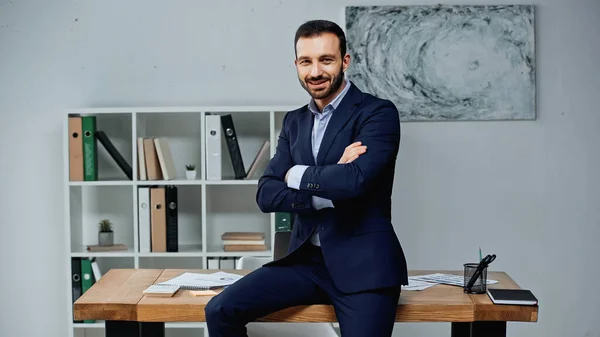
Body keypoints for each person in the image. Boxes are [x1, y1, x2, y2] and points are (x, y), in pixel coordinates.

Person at [204, 19, 408, 337]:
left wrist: (295, 173)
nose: (315, 72)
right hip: (305, 263)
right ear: (296, 65)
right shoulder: (294, 121)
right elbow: (266, 194)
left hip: (365, 267)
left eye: (325, 60)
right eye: (305, 61)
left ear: (345, 61)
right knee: (219, 310)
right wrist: (327, 184)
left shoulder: (377, 113)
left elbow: (355, 181)